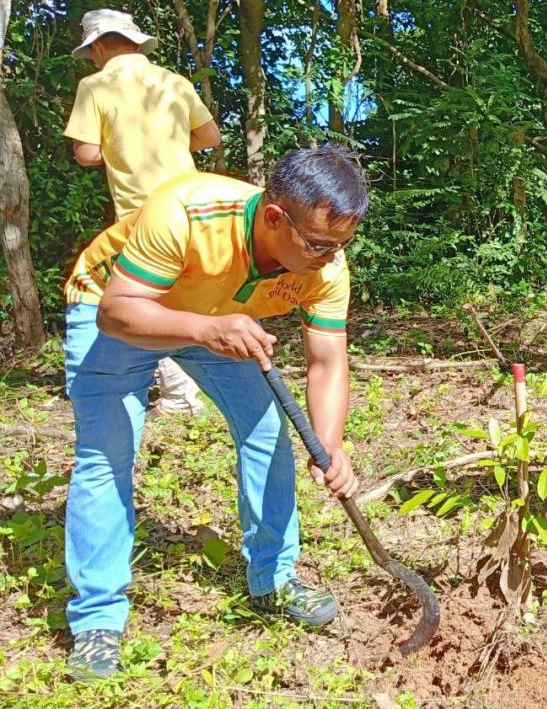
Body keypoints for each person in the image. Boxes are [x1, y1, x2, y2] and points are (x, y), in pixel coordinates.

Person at [61, 146, 367, 680]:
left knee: (267, 430)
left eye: (342, 243)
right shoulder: (187, 210)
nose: (331, 257)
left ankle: (273, 577)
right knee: (107, 451)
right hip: (124, 308)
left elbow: (326, 362)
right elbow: (116, 312)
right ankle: (97, 620)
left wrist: (330, 444)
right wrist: (203, 329)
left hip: (217, 319)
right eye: (319, 243)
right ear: (275, 218)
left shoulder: (327, 266)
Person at [64, 8, 223, 416]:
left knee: (138, 299)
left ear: (98, 46)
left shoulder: (95, 86)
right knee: (182, 291)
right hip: (192, 204)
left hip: (141, 211)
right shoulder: (173, 81)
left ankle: (177, 395)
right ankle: (191, 386)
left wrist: (116, 145)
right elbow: (209, 137)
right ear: (135, 42)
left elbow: (86, 153)